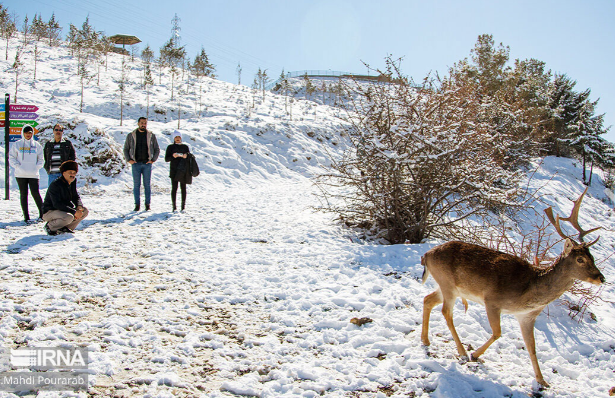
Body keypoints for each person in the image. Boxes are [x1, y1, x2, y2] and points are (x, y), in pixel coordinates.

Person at [42, 160, 89, 235]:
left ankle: (64, 228)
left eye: (74, 173)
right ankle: (50, 226)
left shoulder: (72, 182)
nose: (72, 175)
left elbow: (75, 196)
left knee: (84, 211)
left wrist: (79, 206)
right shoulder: (55, 184)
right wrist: (74, 212)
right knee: (69, 217)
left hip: (64, 211)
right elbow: (57, 204)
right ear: (63, 173)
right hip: (50, 212)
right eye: (70, 172)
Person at [9, 124, 44, 223]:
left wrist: (36, 167)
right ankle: (26, 217)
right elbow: (11, 157)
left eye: (30, 133)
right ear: (22, 133)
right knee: (23, 195)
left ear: (32, 133)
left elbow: (41, 159)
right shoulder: (17, 144)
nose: (28, 135)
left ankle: (42, 214)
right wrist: (18, 166)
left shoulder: (37, 145)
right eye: (26, 133)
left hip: (33, 174)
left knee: (36, 194)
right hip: (20, 174)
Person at [123, 117, 160, 211]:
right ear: (138, 123)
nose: (143, 124)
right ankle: (137, 205)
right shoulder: (131, 135)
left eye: (145, 123)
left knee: (147, 185)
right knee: (136, 185)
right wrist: (129, 159)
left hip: (147, 163)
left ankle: (147, 205)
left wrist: (153, 160)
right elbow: (126, 149)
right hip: (136, 163)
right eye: (142, 123)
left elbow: (157, 149)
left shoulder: (151, 135)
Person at [165, 130, 192, 212]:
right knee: (174, 188)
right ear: (173, 138)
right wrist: (173, 156)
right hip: (174, 170)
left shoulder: (185, 147)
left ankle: (183, 206)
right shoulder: (170, 147)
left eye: (179, 137)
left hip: (183, 170)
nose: (177, 139)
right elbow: (166, 159)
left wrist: (186, 156)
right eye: (176, 137)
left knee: (183, 188)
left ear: (181, 138)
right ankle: (174, 206)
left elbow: (189, 158)